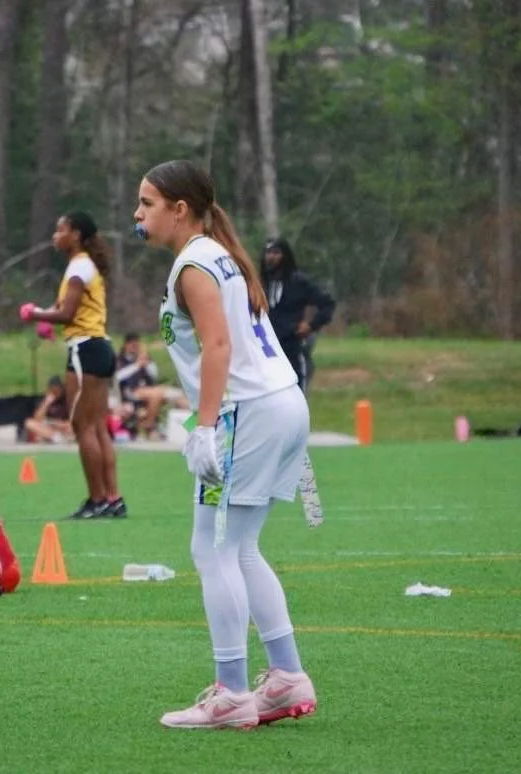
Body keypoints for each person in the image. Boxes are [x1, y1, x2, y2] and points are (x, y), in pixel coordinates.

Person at [133, 159, 317, 730]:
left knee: (212, 551)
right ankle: (285, 677)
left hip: (248, 414)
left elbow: (217, 347)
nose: (137, 215)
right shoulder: (218, 253)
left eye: (146, 204)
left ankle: (232, 692)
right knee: (239, 548)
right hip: (279, 401)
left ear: (179, 209)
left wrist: (206, 427)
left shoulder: (195, 262)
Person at [19, 211, 127, 519]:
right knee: (98, 427)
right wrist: (47, 314)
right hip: (101, 347)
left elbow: (67, 314)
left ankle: (97, 500)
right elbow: (69, 309)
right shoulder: (84, 265)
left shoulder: (78, 266)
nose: (55, 235)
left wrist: (34, 314)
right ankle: (112, 498)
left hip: (84, 349)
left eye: (60, 229)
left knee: (83, 427)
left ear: (76, 235)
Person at [260, 237, 335, 394]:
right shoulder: (261, 283)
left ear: (285, 256)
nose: (270, 257)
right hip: (268, 351)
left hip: (293, 348)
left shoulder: (298, 281)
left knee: (298, 394)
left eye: (275, 252)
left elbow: (327, 304)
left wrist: (310, 325)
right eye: (267, 253)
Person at [114, 333, 188, 440]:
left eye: (136, 345)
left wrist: (147, 362)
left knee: (178, 395)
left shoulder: (143, 358)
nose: (134, 347)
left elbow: (154, 375)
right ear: (126, 345)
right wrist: (137, 365)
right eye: (132, 345)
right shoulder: (121, 359)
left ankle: (195, 425)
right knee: (156, 394)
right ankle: (148, 425)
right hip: (131, 391)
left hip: (150, 388)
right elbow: (119, 377)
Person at [23, 376, 73, 444]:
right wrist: (46, 403)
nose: (55, 392)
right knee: (29, 423)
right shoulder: (45, 399)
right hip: (49, 427)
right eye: (52, 390)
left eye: (57, 390)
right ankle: (56, 438)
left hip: (63, 426)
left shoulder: (68, 399)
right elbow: (37, 419)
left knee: (72, 428)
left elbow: (73, 421)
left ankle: (55, 438)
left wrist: (60, 424)